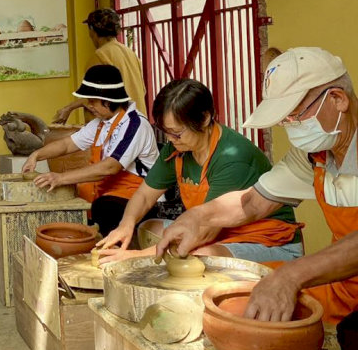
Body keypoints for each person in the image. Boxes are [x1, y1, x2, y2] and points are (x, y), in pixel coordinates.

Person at [151, 48, 358, 350]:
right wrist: (197, 219)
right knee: (254, 319)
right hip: (345, 282)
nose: (290, 128)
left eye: (296, 115)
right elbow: (253, 201)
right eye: (284, 119)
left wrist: (291, 273)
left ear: (337, 100)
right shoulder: (317, 155)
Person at [96, 78, 302, 263]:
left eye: (176, 133)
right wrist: (125, 225)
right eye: (166, 132)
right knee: (147, 227)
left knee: (199, 258)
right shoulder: (178, 148)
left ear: (204, 119)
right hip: (220, 232)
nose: (170, 140)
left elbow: (204, 233)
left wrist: (133, 257)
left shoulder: (232, 157)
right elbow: (144, 196)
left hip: (267, 241)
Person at [23, 65, 158, 236]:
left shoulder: (134, 124)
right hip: (108, 192)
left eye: (92, 100)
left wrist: (60, 177)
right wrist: (36, 155)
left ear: (108, 99)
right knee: (76, 203)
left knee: (104, 208)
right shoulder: (101, 123)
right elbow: (67, 144)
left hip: (141, 197)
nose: (88, 105)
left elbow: (110, 167)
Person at [53, 8, 147, 123]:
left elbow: (95, 99)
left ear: (92, 29)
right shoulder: (130, 53)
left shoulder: (100, 55)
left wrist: (68, 108)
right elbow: (142, 90)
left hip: (116, 126)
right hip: (137, 121)